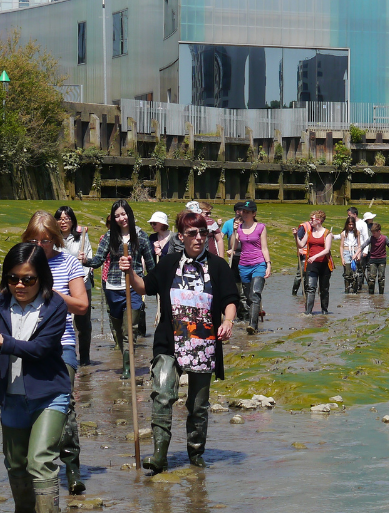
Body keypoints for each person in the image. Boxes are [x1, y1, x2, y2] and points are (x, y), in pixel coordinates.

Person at [0, 243, 72, 513]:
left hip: (49, 394)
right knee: (15, 464)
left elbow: (41, 349)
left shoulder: (55, 306)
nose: (20, 285)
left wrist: (2, 339)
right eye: (13, 278)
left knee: (39, 460)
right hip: (10, 396)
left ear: (41, 277)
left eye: (28, 279)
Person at [121, 210, 239, 473]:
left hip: (204, 343)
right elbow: (144, 287)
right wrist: (130, 272)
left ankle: (196, 455)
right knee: (162, 394)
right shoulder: (169, 262)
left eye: (203, 233)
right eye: (192, 233)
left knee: (198, 405)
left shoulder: (219, 266)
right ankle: (159, 456)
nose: (199, 238)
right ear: (181, 236)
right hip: (169, 340)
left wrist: (228, 321)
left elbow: (231, 300)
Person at [21, 211, 89, 495]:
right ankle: (32, 466)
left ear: (56, 240)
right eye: (35, 240)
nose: (41, 246)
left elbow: (81, 305)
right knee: (26, 404)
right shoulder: (22, 262)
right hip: (24, 344)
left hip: (62, 344)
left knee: (64, 405)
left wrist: (51, 291)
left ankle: (72, 468)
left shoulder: (68, 262)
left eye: (47, 241)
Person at [85, 199, 155, 379]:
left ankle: (127, 367)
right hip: (113, 287)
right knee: (117, 326)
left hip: (134, 287)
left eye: (124, 214)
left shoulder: (141, 236)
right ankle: (124, 357)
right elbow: (98, 260)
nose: (121, 218)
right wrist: (85, 260)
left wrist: (151, 284)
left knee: (129, 330)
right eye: (117, 216)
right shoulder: (110, 236)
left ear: (130, 214)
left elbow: (151, 266)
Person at [55, 205, 93, 366]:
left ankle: (84, 358)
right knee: (62, 322)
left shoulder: (81, 237)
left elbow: (90, 258)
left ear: (72, 220)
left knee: (83, 324)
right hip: (60, 286)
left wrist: (84, 260)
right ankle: (64, 357)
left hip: (82, 283)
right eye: (60, 219)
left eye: (66, 219)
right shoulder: (53, 240)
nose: (63, 222)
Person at [231, 199, 271, 333]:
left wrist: (268, 265)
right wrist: (234, 231)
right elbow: (234, 246)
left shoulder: (261, 227)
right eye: (243, 211)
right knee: (248, 297)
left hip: (258, 264)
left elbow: (264, 248)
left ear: (254, 213)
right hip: (243, 265)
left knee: (255, 294)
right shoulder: (240, 228)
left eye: (247, 212)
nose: (244, 213)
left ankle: (252, 325)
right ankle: (252, 318)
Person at [298, 210, 333, 315]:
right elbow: (300, 244)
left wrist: (315, 256)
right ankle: (308, 312)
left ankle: (324, 311)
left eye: (312, 219)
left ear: (319, 221)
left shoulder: (327, 233)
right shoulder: (309, 232)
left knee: (324, 289)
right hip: (312, 264)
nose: (310, 221)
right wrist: (296, 235)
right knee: (310, 288)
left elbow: (327, 250)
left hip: (324, 264)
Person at [364, 221, 389, 294]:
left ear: (379, 231)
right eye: (372, 232)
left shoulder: (385, 238)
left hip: (382, 260)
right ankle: (371, 295)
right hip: (372, 260)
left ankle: (381, 295)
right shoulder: (371, 238)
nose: (373, 234)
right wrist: (357, 253)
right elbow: (363, 245)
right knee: (371, 278)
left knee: (381, 278)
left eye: (374, 233)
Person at [339, 214, 363, 294]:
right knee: (347, 272)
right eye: (349, 224)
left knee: (355, 273)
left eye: (352, 224)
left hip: (355, 252)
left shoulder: (357, 232)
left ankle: (355, 290)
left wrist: (359, 255)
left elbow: (359, 244)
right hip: (346, 252)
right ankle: (347, 290)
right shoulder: (343, 233)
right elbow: (341, 246)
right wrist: (342, 258)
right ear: (347, 224)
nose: (351, 226)